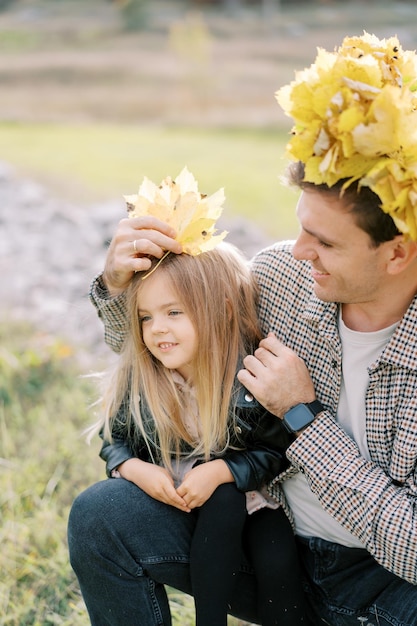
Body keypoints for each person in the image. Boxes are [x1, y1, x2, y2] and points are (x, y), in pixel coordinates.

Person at [68, 32, 417, 625]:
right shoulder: (280, 275)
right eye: (302, 225)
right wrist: (120, 289)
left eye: (326, 242)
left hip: (389, 591)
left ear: (398, 253)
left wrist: (304, 418)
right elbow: (175, 341)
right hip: (260, 552)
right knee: (102, 516)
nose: (298, 250)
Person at [69, 173, 307, 625]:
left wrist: (222, 469)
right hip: (177, 500)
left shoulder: (246, 380)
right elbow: (113, 440)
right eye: (146, 316)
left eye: (174, 312)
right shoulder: (147, 383)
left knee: (273, 552)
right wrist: (135, 469)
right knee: (214, 509)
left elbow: (276, 451)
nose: (157, 328)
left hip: (247, 501)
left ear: (220, 311)